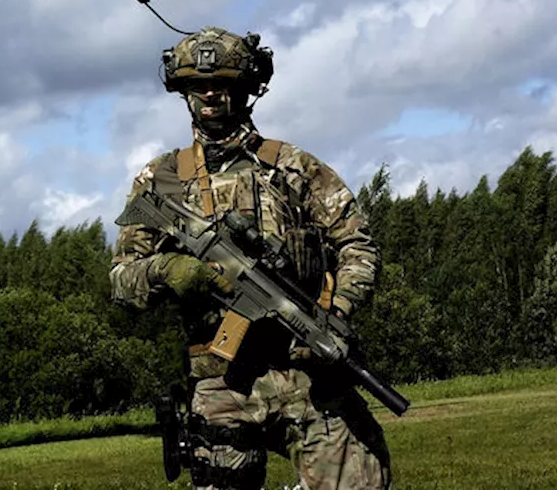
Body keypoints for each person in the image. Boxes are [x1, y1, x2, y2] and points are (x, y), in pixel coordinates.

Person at [110, 27, 392, 490]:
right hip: (221, 379)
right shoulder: (162, 179)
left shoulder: (292, 167)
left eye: (224, 83)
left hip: (307, 371)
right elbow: (122, 279)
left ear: (247, 88)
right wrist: (170, 270)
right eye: (198, 85)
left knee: (361, 478)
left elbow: (356, 242)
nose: (211, 94)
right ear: (182, 91)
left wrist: (337, 310)